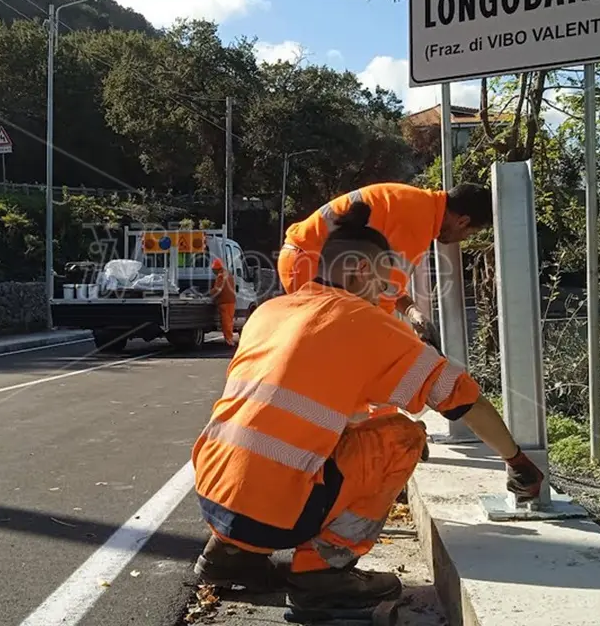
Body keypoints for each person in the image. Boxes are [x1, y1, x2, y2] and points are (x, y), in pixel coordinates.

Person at [192, 202, 543, 615]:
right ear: (360, 271)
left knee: (304, 436)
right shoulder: (369, 324)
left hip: (212, 492)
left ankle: (228, 555)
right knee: (403, 437)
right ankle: (322, 573)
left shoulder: (270, 311)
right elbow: (463, 398)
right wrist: (517, 461)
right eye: (384, 283)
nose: (386, 295)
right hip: (271, 512)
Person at [278, 182, 493, 342]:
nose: (463, 239)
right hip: (308, 263)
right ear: (463, 221)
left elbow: (385, 286)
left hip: (303, 259)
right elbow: (382, 303)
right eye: (470, 233)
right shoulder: (419, 223)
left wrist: (411, 311)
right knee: (354, 344)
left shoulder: (419, 205)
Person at [210, 258, 236, 347]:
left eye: (213, 270)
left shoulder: (221, 276)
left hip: (225, 302)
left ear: (217, 268)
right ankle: (229, 339)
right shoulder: (228, 274)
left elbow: (218, 289)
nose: (213, 272)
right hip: (230, 301)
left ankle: (229, 340)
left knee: (226, 322)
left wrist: (209, 294)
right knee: (229, 321)